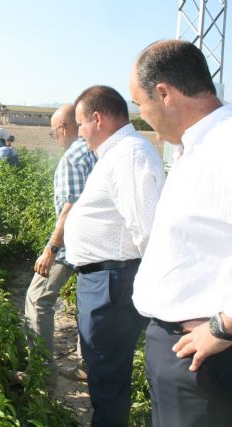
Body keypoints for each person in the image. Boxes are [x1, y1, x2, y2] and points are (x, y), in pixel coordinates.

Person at [130, 40, 232, 427]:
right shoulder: (198, 144)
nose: (142, 117)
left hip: (209, 356)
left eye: (140, 104)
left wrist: (225, 325)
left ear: (164, 93)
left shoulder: (228, 144)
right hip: (183, 349)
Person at [63, 85, 165, 426]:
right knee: (103, 371)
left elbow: (147, 229)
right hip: (105, 279)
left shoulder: (130, 155)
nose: (79, 132)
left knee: (107, 377)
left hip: (113, 281)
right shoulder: (118, 154)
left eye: (80, 123)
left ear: (98, 118)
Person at [24, 104, 96, 382]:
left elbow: (71, 208)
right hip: (97, 246)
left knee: (37, 298)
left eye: (54, 133)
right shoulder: (94, 150)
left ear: (64, 128)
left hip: (73, 245)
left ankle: (40, 370)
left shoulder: (73, 157)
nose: (55, 138)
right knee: (87, 302)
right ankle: (87, 364)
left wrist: (51, 250)